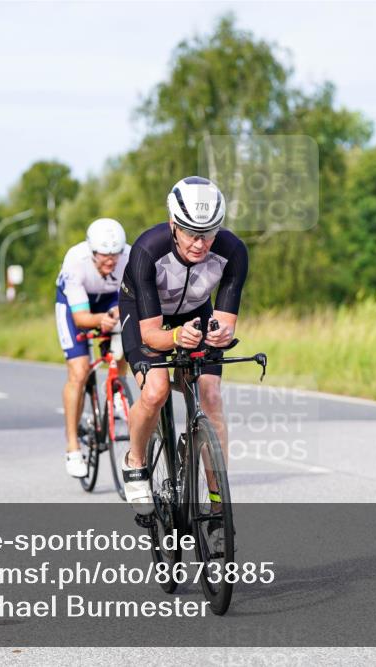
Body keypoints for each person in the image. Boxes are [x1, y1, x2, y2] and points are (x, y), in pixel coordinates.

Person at [117, 176, 248, 514]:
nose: (200, 244)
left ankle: (219, 506)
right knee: (156, 390)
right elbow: (152, 335)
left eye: (209, 233)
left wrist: (220, 333)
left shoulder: (233, 252)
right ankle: (135, 460)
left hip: (195, 311)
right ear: (173, 224)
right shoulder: (148, 249)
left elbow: (226, 319)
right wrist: (175, 338)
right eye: (191, 232)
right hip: (146, 315)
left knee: (211, 393)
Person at [55, 218, 131, 478]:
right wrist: (102, 321)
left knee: (128, 339)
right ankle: (73, 446)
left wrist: (120, 314)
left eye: (115, 254)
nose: (110, 260)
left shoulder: (130, 257)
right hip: (75, 305)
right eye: (103, 255)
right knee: (79, 371)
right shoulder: (75, 261)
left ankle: (118, 388)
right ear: (91, 251)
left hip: (110, 299)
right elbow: (81, 319)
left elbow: (134, 300)